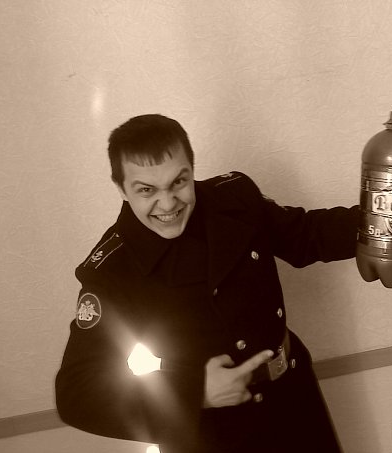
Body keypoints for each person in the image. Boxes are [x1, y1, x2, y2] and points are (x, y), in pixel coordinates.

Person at [55, 114, 360, 452]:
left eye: (179, 182)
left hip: (293, 401)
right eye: (147, 190)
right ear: (122, 189)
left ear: (191, 169)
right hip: (212, 434)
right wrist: (196, 392)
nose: (168, 203)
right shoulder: (112, 269)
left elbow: (306, 235)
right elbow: (76, 393)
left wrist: (384, 220)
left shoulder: (235, 198)